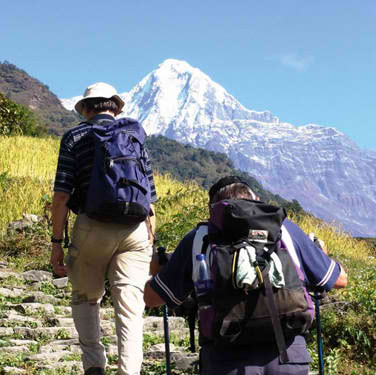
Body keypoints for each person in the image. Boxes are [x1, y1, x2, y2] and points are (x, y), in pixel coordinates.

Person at [144, 176, 348, 375]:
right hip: (288, 357)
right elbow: (339, 280)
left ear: (212, 212)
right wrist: (320, 254)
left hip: (225, 361)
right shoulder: (285, 229)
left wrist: (148, 266)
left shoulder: (200, 238)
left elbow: (152, 298)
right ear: (256, 201)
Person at [51, 82, 157, 375]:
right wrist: (150, 240)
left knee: (86, 297)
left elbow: (61, 196)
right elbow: (151, 199)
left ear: (85, 108)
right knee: (130, 307)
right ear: (115, 107)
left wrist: (56, 243)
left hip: (92, 225)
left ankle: (95, 365)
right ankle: (129, 371)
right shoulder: (134, 136)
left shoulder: (74, 137)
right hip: (135, 228)